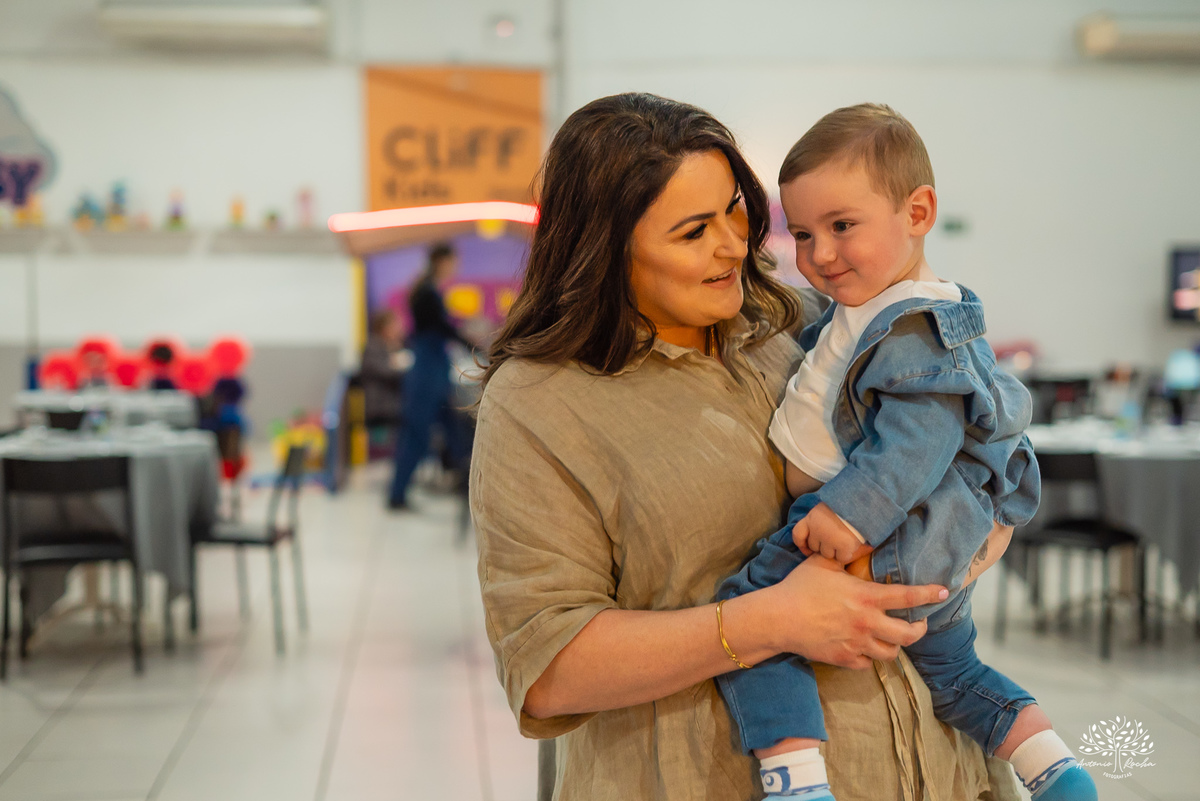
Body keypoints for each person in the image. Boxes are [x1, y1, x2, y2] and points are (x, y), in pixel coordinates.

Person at [470, 92, 1020, 801]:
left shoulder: (808, 324)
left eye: (734, 210)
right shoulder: (541, 401)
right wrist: (769, 621)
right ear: (604, 248)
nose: (734, 244)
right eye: (693, 231)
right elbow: (547, 670)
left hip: (934, 768)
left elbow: (972, 423)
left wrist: (978, 528)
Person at [713, 104, 1096, 801]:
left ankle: (796, 781)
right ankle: (1052, 766)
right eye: (804, 233)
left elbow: (920, 440)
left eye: (842, 226)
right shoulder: (868, 307)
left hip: (877, 528)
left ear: (918, 213)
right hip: (902, 535)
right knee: (952, 670)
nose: (820, 254)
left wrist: (850, 514)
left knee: (752, 619)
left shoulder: (915, 328)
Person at [387, 243, 473, 510]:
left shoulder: (429, 291)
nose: (455, 267)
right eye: (453, 261)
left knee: (456, 429)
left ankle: (467, 482)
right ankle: (396, 495)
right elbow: (443, 327)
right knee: (417, 435)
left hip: (435, 371)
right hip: (427, 374)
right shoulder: (426, 293)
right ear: (441, 261)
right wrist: (473, 344)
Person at [360, 308, 404, 427]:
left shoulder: (397, 347)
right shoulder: (373, 347)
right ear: (384, 327)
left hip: (395, 412)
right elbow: (386, 372)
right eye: (395, 325)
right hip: (379, 414)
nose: (400, 330)